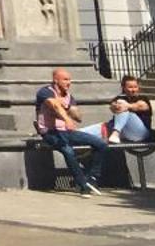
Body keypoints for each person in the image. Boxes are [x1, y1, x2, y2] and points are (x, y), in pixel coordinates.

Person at [35, 67, 108, 195]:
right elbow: (55, 105)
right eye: (65, 80)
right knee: (68, 150)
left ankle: (92, 177)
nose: (69, 83)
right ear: (55, 80)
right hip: (49, 132)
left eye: (70, 80)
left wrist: (68, 107)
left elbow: (78, 117)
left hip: (67, 132)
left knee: (100, 144)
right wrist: (67, 119)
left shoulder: (69, 97)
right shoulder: (45, 92)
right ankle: (82, 185)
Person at [99, 74, 155, 144]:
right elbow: (112, 107)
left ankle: (115, 133)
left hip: (141, 133)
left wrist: (127, 106)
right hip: (125, 133)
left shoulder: (143, 98)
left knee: (123, 107)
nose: (133, 90)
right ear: (124, 88)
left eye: (135, 87)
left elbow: (142, 106)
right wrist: (115, 106)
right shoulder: (120, 98)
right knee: (91, 131)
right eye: (130, 87)